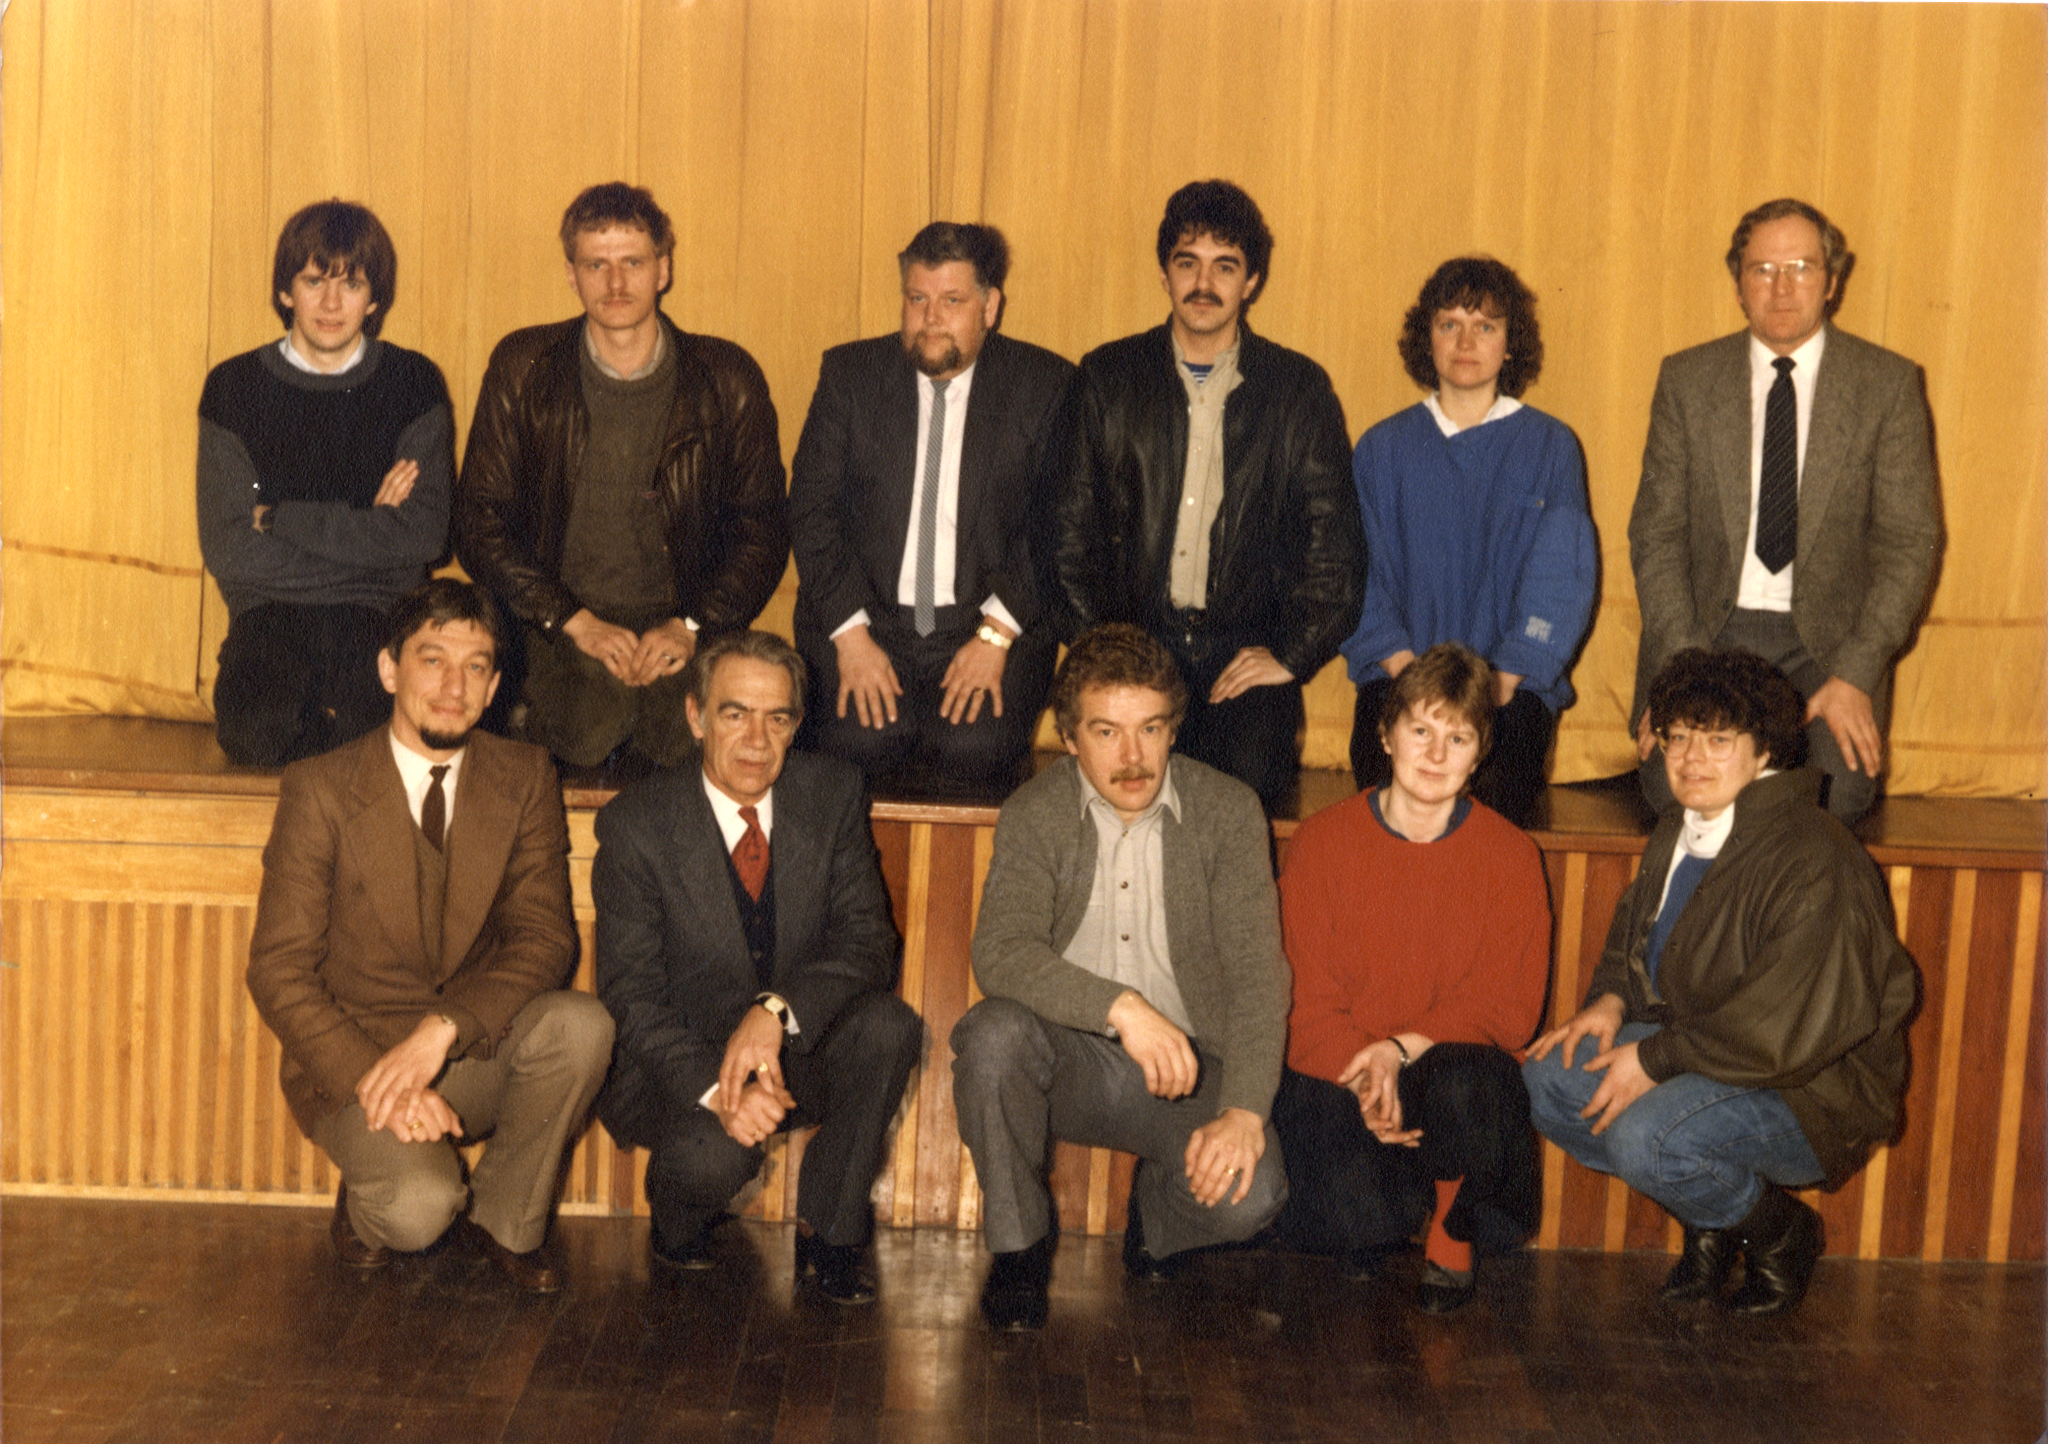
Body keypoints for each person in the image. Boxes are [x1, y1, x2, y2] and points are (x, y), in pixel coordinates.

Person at [246, 579, 614, 1293]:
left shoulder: (525, 775)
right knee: (417, 1214)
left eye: (476, 667)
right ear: (389, 670)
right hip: (357, 1064)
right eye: (433, 660)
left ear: (495, 686)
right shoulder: (320, 787)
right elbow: (278, 970)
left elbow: (544, 940)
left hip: (467, 1048)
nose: (454, 688)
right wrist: (382, 1078)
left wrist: (442, 1031)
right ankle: (373, 1194)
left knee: (582, 1025)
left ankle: (507, 1221)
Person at [1523, 648, 1916, 1316]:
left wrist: (1654, 1059)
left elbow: (1781, 1026)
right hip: (1709, 1054)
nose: (1690, 759)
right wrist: (1612, 1002)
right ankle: (1712, 1216)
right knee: (1550, 1079)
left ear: (1765, 750)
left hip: (1812, 1087)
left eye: (1717, 740)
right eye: (1677, 737)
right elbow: (1632, 936)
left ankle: (1781, 1233)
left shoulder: (1814, 855)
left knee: (1645, 1137)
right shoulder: (1680, 827)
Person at [953, 623, 1290, 1331]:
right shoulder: (1035, 812)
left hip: (1189, 1071)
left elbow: (1260, 976)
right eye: (1106, 732)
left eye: (1151, 729)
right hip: (1068, 1063)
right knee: (992, 1035)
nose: (1132, 758)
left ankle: (1158, 1220)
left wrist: (1242, 1113)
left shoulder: (1229, 811)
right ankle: (1017, 1252)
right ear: (1070, 738)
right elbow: (1000, 952)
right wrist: (1122, 1008)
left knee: (1253, 1198)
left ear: (1174, 730)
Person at [591, 630, 920, 1305]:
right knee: (712, 1157)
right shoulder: (636, 825)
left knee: (888, 1026)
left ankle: (830, 1229)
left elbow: (868, 941)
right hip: (682, 1068)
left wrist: (775, 1011)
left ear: (797, 725)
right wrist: (721, 1093)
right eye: (735, 714)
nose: (756, 741)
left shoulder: (830, 794)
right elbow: (631, 998)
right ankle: (677, 1221)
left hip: (790, 1047)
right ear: (696, 717)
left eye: (777, 718)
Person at [1048, 180, 1362, 815]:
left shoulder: (1297, 390)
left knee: (1243, 798)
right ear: (1164, 273)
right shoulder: (1107, 378)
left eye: (1226, 266)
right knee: (1116, 792)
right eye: (1187, 262)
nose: (1203, 283)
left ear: (1252, 281)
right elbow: (1064, 537)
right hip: (1131, 645)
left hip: (1240, 659)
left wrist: (1290, 655)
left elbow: (1335, 553)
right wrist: (1107, 656)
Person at [1629, 198, 1941, 824]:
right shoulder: (1688, 380)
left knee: (1831, 800)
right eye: (1762, 270)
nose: (1782, 287)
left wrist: (1855, 675)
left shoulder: (1886, 385)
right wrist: (1682, 669)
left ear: (1832, 281)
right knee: (1678, 793)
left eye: (1801, 267)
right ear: (1738, 285)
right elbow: (1656, 535)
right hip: (1709, 636)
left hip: (1826, 649)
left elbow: (1910, 545)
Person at [457, 182, 788, 770]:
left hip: (685, 619)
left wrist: (690, 625)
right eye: (596, 265)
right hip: (558, 620)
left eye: (633, 263)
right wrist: (572, 620)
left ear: (663, 269)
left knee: (690, 746)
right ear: (571, 274)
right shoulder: (524, 367)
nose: (615, 283)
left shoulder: (726, 377)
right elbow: (479, 521)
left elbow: (761, 532)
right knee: (585, 733)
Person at [1272, 643, 1549, 1313]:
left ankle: (1453, 1228)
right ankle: (1388, 1208)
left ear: (1479, 754)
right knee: (1347, 1223)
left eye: (1458, 738)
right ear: (1385, 734)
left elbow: (1508, 1009)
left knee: (1472, 1081)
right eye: (1420, 730)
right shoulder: (1320, 842)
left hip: (1442, 1073)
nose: (1435, 754)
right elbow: (1303, 1000)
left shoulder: (1512, 855)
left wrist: (1397, 1052)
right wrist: (1367, 1077)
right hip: (1344, 1072)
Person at [788, 222, 1074, 796]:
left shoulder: (1045, 385)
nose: (931, 319)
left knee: (974, 750)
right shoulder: (850, 376)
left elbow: (1056, 527)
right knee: (856, 745)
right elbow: (812, 511)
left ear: (990, 307)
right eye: (917, 299)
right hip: (866, 617)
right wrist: (851, 636)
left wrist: (996, 637)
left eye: (952, 301)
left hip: (987, 619)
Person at [1341, 258, 1595, 827]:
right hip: (1400, 681)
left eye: (1485, 326)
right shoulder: (1381, 449)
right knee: (1387, 802)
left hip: (1507, 691)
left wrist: (1500, 681)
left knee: (1492, 810)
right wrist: (1410, 683)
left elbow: (1561, 581)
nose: (1465, 342)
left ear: (1510, 343)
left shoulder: (1551, 447)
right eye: (1449, 324)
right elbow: (1357, 577)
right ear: (1425, 337)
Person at [198, 200, 453, 767]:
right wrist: (372, 528)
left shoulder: (413, 383)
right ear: (285, 291)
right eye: (314, 281)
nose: (332, 304)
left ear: (375, 298)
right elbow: (228, 549)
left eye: (352, 284)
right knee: (254, 735)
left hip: (376, 612)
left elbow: (424, 539)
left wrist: (280, 519)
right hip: (269, 610)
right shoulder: (234, 388)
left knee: (373, 738)